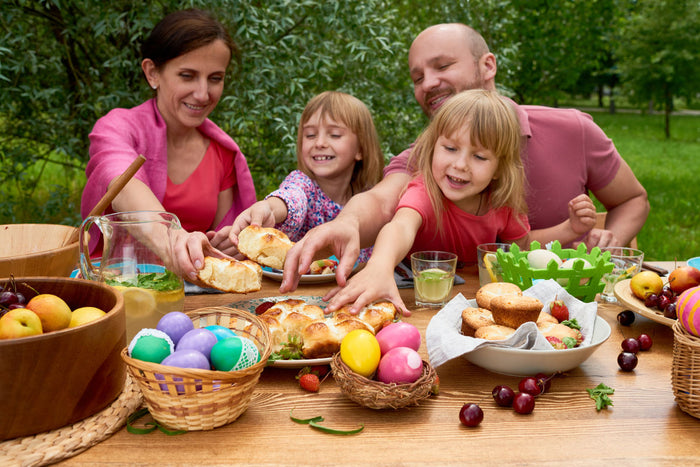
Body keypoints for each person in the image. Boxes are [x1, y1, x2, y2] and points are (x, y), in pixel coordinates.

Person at [280, 23, 649, 312]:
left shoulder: (571, 130)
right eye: (417, 77)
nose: (428, 83)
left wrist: (603, 239)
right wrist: (349, 224)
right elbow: (386, 207)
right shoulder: (423, 162)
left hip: (573, 304)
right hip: (449, 306)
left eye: (442, 65)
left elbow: (631, 200)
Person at [340, 89, 596, 315]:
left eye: (479, 157)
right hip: (414, 299)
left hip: (469, 302)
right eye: (450, 149)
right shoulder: (425, 190)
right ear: (432, 148)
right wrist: (379, 266)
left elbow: (523, 246)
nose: (460, 164)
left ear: (499, 168)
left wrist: (570, 229)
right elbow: (400, 226)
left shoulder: (502, 203)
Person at [80, 9, 256, 281]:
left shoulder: (224, 153)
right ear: (152, 73)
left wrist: (226, 245)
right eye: (187, 75)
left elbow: (226, 249)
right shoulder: (116, 129)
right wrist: (174, 240)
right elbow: (123, 185)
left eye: (215, 78)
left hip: (193, 297)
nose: (202, 94)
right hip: (116, 291)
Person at [211, 91, 383, 264]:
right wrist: (268, 208)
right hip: (299, 290)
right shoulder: (303, 183)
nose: (319, 143)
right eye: (310, 135)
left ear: (360, 149)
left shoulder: (371, 197)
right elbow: (291, 197)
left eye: (335, 135)